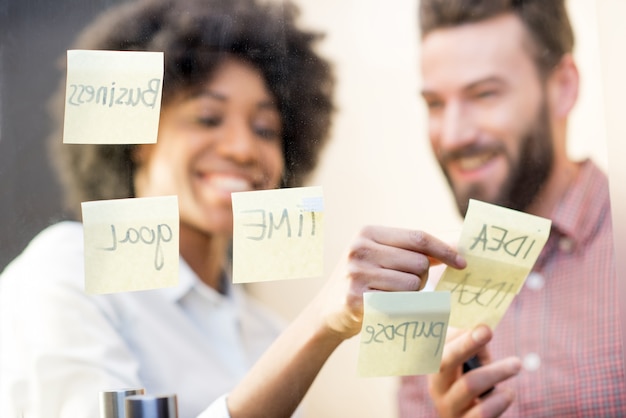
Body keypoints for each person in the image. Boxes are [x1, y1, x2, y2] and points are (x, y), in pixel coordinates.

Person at [0, 0, 486, 417]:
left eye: (265, 129)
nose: (241, 149)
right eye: (207, 118)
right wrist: (319, 324)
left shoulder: (264, 332)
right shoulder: (63, 272)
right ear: (136, 140)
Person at [398, 0, 626, 416]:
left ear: (563, 87)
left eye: (484, 94)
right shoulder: (423, 302)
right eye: (435, 103)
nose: (452, 136)